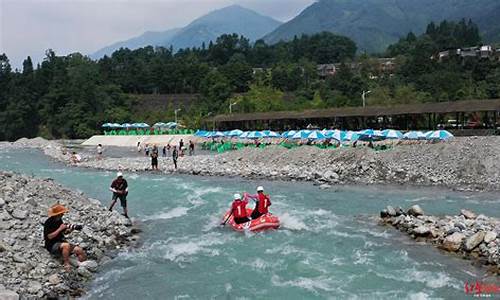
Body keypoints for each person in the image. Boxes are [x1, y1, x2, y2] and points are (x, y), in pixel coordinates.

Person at [43, 204, 87, 272]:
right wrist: (60, 229)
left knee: (79, 250)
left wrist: (71, 229)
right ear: (57, 214)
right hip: (52, 245)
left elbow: (64, 233)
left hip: (61, 242)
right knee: (66, 245)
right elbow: (49, 236)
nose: (63, 214)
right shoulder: (48, 223)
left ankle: (83, 266)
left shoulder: (59, 221)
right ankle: (66, 264)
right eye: (61, 214)